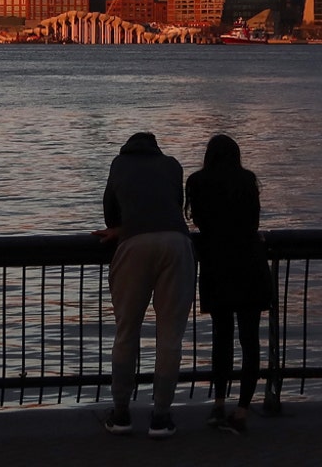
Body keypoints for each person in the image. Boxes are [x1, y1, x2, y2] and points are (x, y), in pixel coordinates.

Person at [95, 131, 195, 439]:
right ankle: (161, 417)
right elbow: (175, 206)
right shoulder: (173, 165)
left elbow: (110, 208)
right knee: (170, 334)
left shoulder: (118, 164)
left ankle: (121, 412)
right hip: (177, 243)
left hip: (134, 243)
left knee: (127, 330)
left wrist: (119, 229)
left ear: (127, 149)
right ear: (156, 149)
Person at [185, 133, 274, 434]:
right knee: (250, 341)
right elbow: (253, 223)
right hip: (250, 266)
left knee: (221, 340)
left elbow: (199, 222)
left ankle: (218, 404)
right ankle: (243, 410)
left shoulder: (197, 183)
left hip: (217, 268)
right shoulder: (248, 181)